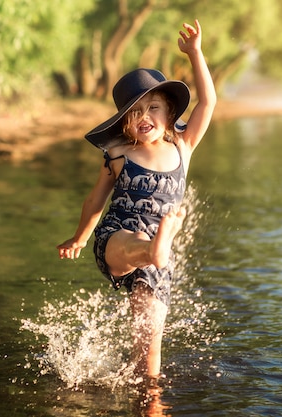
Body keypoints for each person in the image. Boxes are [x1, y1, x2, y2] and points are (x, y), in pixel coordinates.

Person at [56, 19, 216, 382]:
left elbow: (208, 101)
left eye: (153, 108)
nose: (144, 117)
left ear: (170, 113)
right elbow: (96, 200)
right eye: (135, 113)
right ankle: (154, 249)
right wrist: (80, 237)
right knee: (138, 246)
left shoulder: (183, 146)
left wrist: (195, 53)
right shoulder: (118, 154)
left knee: (148, 347)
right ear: (124, 124)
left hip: (157, 262)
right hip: (118, 236)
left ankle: (151, 401)